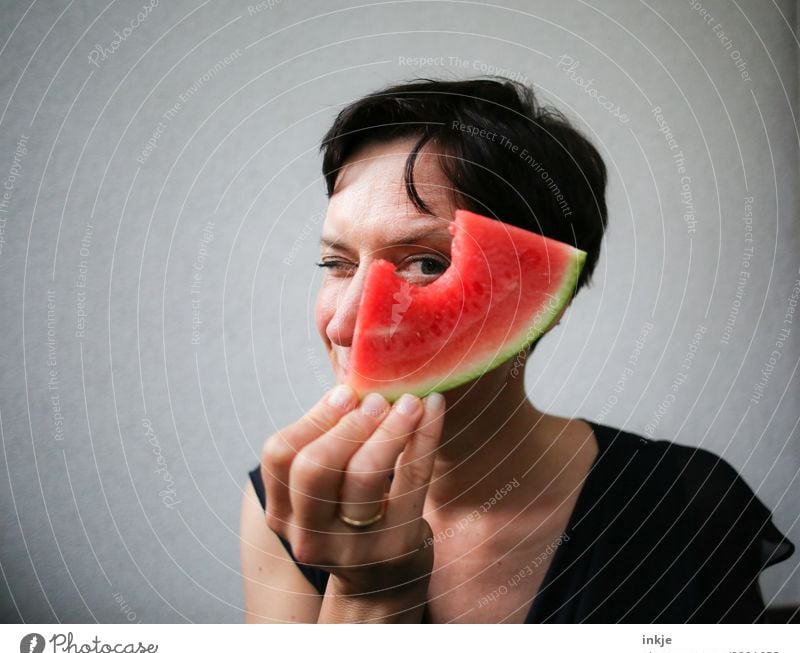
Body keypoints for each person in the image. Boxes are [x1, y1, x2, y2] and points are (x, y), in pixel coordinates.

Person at [240, 77, 795, 623]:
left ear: (535, 299)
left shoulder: (685, 500)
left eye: (427, 263)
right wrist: (369, 598)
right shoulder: (284, 502)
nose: (344, 325)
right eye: (336, 264)